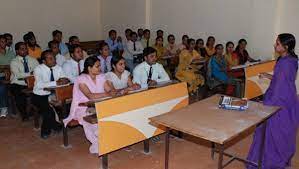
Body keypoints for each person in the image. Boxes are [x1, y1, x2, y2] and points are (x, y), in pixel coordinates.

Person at [247, 33, 299, 169]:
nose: (275, 45)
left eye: (278, 43)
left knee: (273, 132)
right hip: (288, 98)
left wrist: (268, 106)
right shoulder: (290, 59)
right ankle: (282, 158)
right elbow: (282, 80)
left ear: (286, 47)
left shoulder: (286, 63)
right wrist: (268, 76)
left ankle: (270, 162)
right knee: (282, 131)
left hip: (280, 101)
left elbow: (280, 88)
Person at [63, 56, 113, 154]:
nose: (100, 68)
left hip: (99, 104)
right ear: (89, 68)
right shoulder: (81, 79)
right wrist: (107, 94)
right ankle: (97, 142)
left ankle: (102, 138)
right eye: (97, 66)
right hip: (83, 106)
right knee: (89, 119)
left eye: (100, 66)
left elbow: (109, 90)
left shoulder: (101, 76)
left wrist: (110, 92)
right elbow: (90, 96)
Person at [33, 50, 69, 139]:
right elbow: (39, 85)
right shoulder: (38, 69)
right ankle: (45, 131)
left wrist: (65, 81)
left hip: (54, 94)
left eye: (54, 58)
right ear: (44, 61)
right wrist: (56, 82)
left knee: (67, 105)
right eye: (50, 59)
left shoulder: (58, 68)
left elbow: (64, 80)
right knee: (48, 112)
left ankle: (56, 125)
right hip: (40, 95)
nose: (54, 60)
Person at [10, 42, 39, 120]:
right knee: (19, 93)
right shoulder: (14, 61)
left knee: (40, 90)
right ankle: (24, 114)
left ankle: (35, 111)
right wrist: (31, 73)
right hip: (18, 83)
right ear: (17, 51)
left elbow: (38, 70)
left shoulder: (33, 60)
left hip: (32, 82)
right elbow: (18, 75)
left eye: (26, 48)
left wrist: (33, 74)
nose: (25, 50)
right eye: (22, 49)